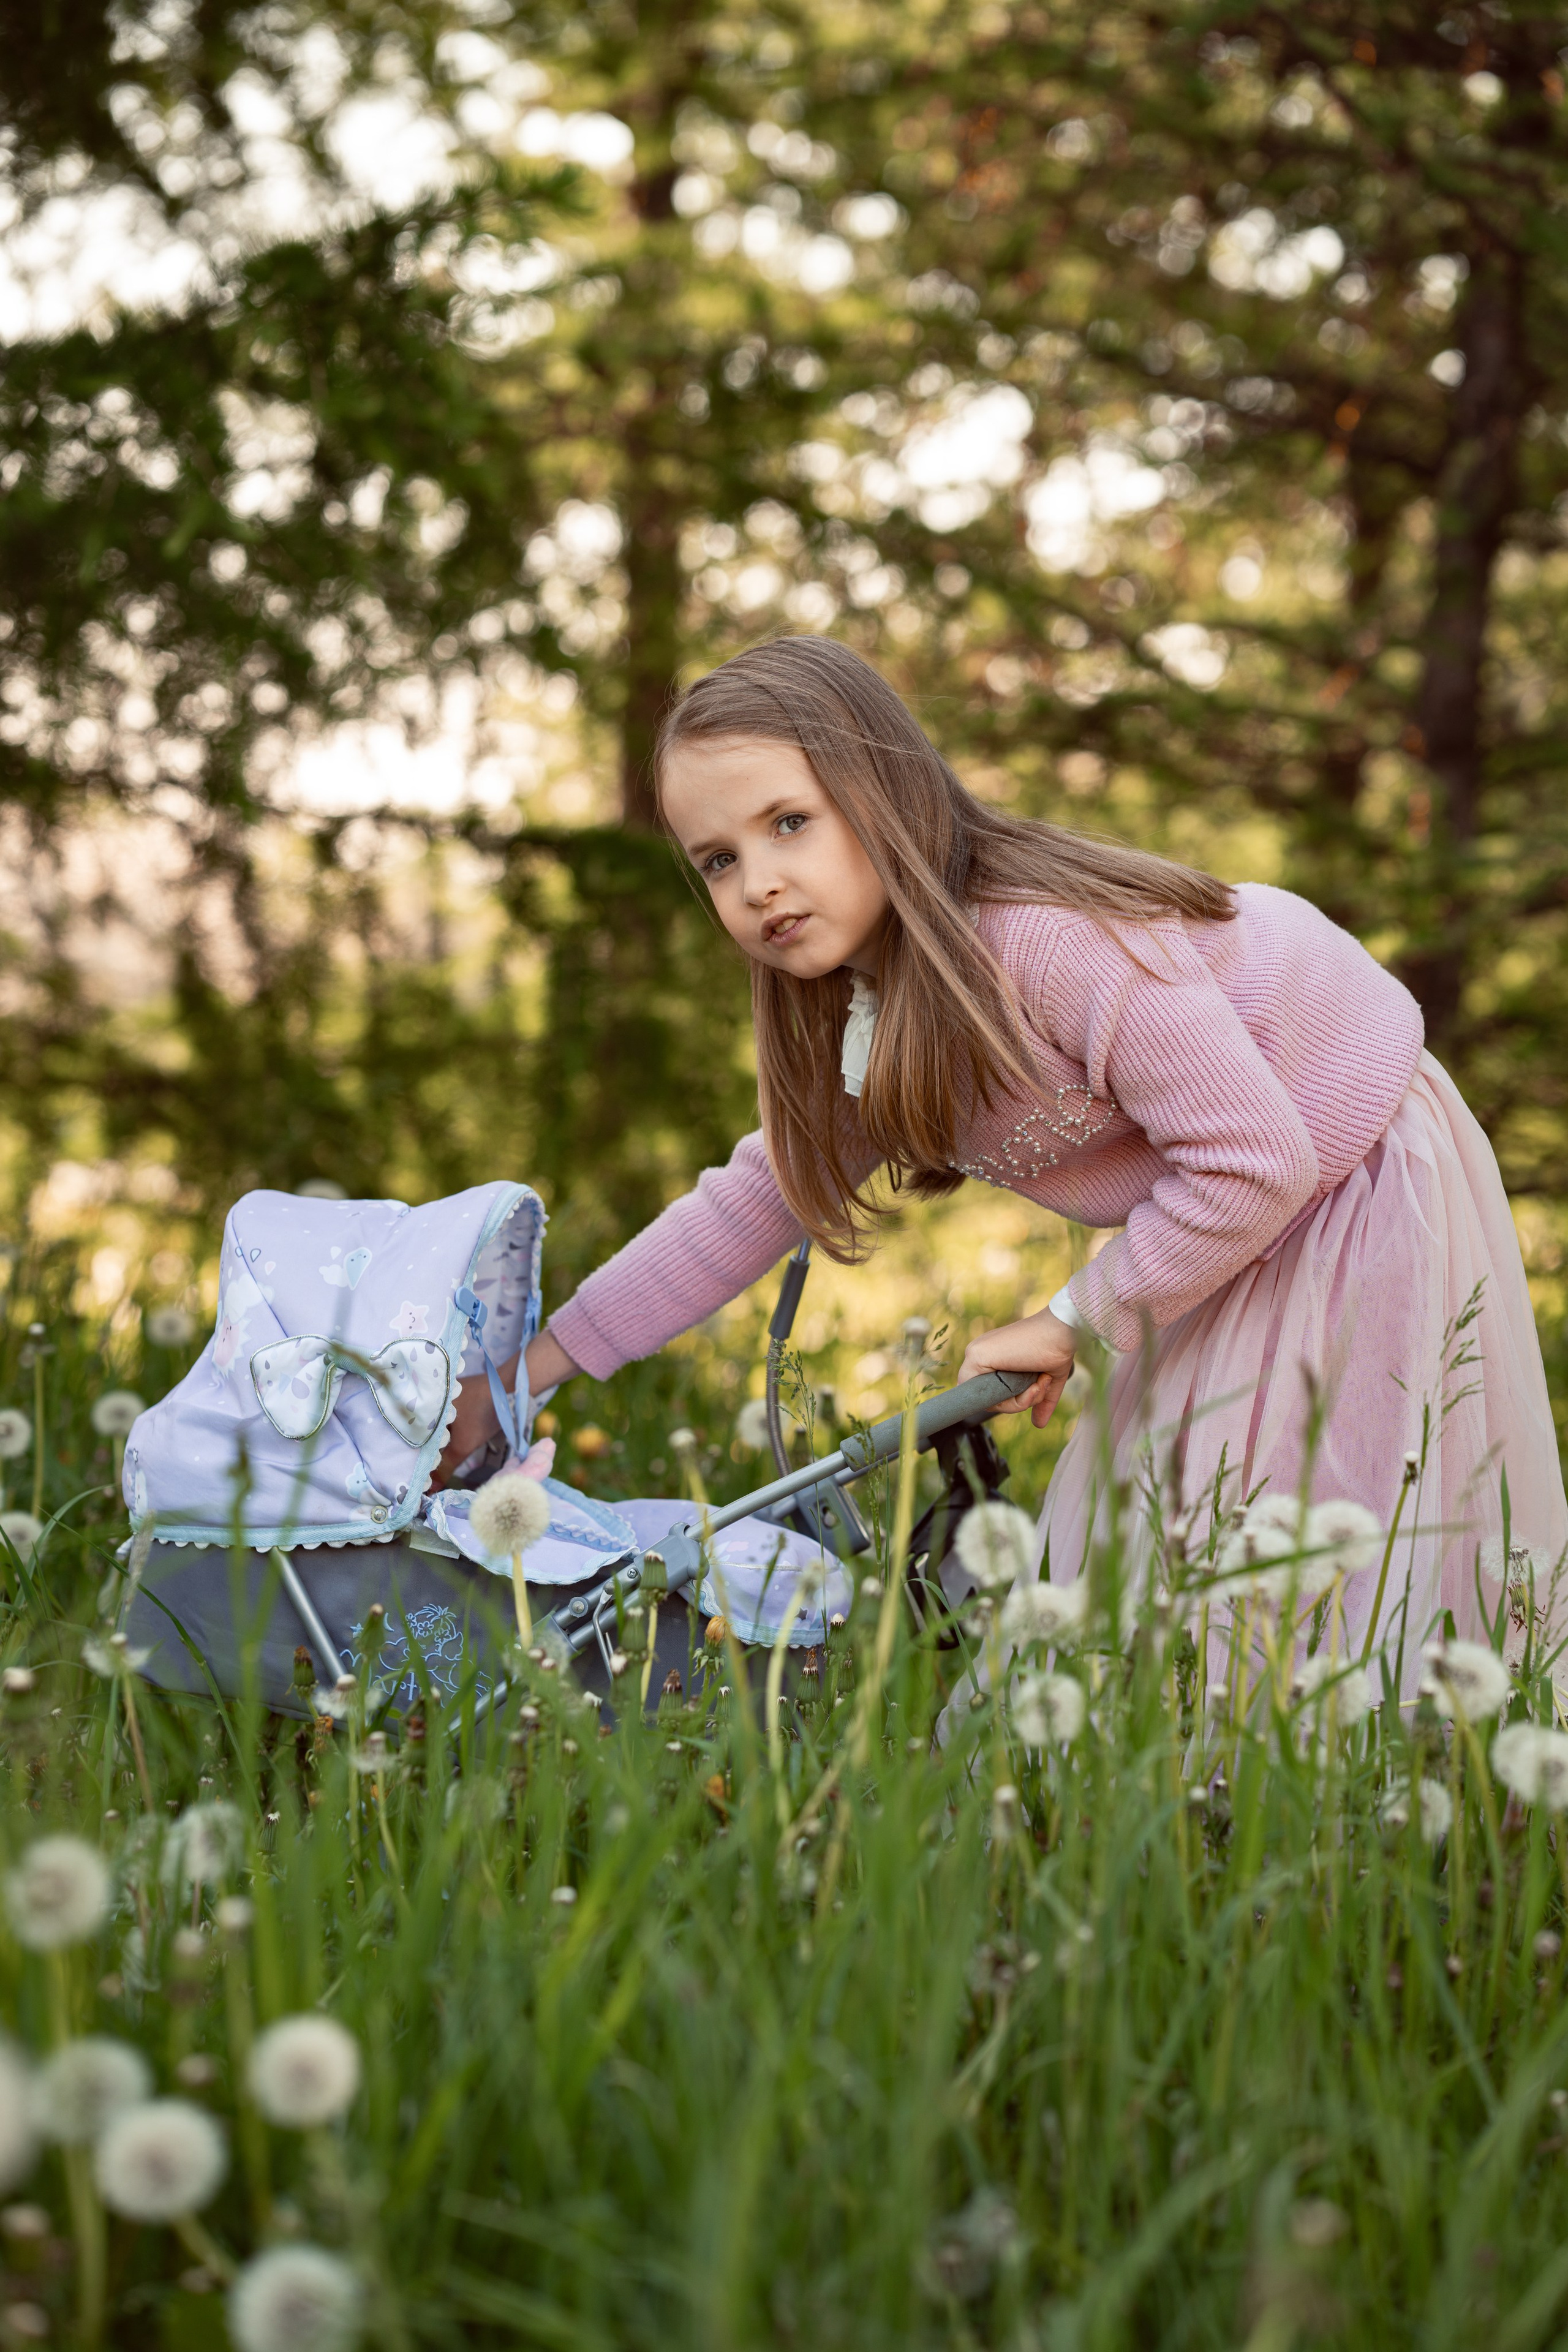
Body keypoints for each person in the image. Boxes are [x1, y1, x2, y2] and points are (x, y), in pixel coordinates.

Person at [440, 635, 1567, 1669]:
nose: (759, 883)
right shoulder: (875, 1019)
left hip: (1349, 1170)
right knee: (1177, 1516)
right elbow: (750, 1205)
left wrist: (1069, 1320)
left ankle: (1369, 1786)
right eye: (719, 862)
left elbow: (1254, 1161)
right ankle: (1207, 1789)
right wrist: (529, 1374)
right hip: (1235, 1207)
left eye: (790, 823)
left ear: (884, 794)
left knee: (1297, 1505)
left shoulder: (1051, 942)